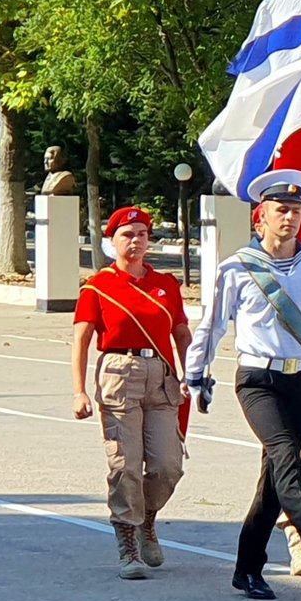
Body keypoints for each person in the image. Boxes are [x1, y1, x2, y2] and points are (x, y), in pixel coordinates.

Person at [185, 169, 301, 599]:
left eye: (296, 211)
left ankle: (247, 567)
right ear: (261, 218)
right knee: (286, 457)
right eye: (281, 210)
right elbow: (212, 324)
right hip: (257, 378)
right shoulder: (237, 268)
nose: (290, 218)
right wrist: (197, 374)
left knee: (274, 479)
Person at [70, 206, 189, 580]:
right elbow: (82, 339)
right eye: (127, 235)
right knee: (125, 464)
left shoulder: (166, 285)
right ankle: (128, 545)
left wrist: (193, 373)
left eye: (141, 234)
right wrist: (78, 391)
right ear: (112, 241)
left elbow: (181, 333)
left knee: (167, 465)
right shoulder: (97, 286)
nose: (135, 241)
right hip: (119, 374)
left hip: (161, 376)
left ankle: (147, 518)